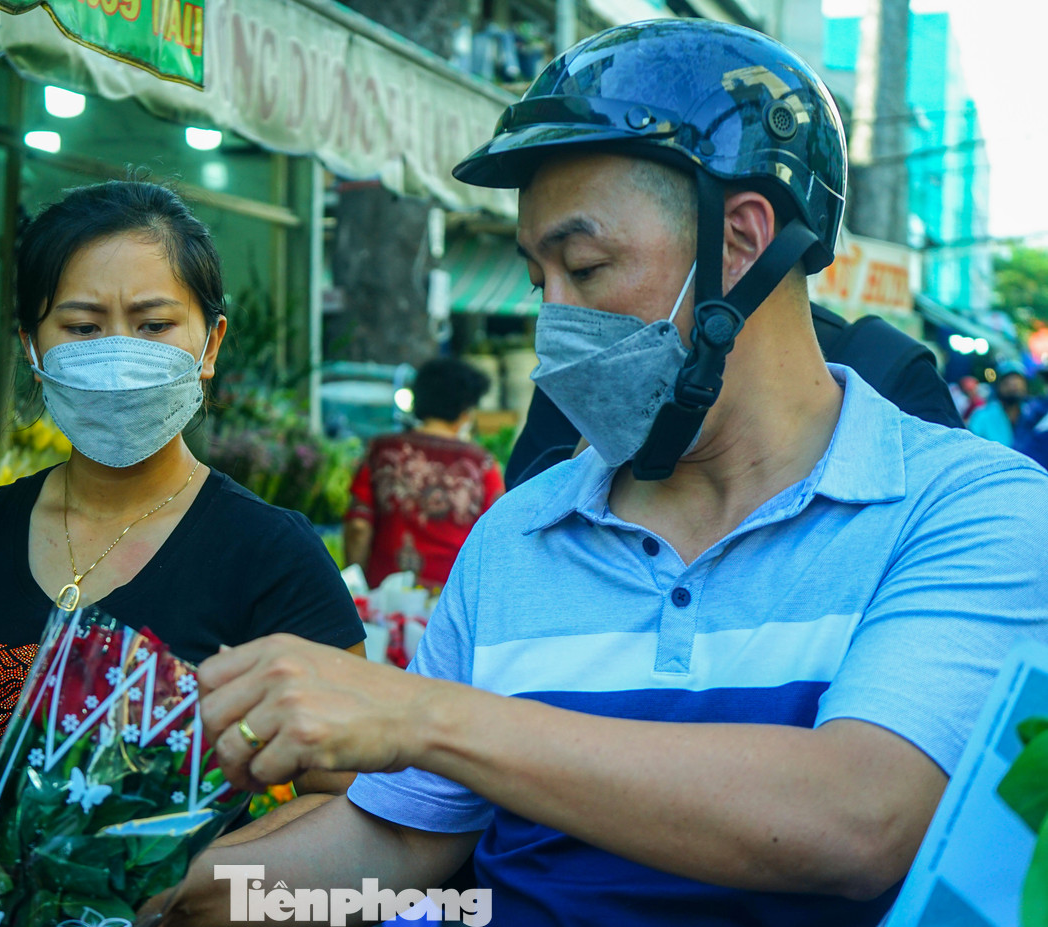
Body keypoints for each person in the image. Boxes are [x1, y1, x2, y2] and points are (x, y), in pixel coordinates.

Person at [165, 20, 1048, 927]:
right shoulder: (518, 534)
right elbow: (395, 848)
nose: (553, 320)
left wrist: (425, 716)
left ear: (743, 240)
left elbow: (857, 818)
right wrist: (165, 890)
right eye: (538, 276)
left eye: (585, 267)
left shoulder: (969, 509)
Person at [0, 179, 366, 925]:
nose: (119, 356)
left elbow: (344, 793)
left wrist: (185, 885)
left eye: (154, 324)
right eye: (83, 326)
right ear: (32, 347)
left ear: (210, 344)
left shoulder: (272, 555)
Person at [506, 303, 964, 487]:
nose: (556, 309)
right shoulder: (591, 373)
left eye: (587, 267)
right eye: (540, 280)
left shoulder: (886, 370)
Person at [343, 357, 505, 589]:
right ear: (465, 411)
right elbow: (497, 540)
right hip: (452, 598)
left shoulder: (382, 451)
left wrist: (356, 587)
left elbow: (358, 527)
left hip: (386, 594)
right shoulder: (482, 465)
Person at [968, 365, 1031, 446]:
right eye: (1007, 381)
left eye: (1018, 380)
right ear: (998, 386)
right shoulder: (982, 416)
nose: (1013, 385)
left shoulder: (1032, 414)